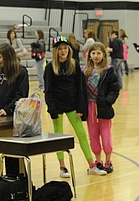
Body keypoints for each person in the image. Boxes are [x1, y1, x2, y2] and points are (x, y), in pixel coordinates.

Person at [44, 36, 106, 178]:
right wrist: (52, 109)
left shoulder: (74, 64)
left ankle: (91, 165)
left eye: (65, 48)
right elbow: (48, 90)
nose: (63, 51)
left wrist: (81, 108)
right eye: (60, 49)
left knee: (82, 134)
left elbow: (80, 88)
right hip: (57, 107)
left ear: (69, 49)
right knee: (58, 137)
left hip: (72, 106)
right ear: (56, 51)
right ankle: (62, 167)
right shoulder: (50, 67)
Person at [0, 43, 30, 175]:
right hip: (0, 117)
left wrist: (8, 109)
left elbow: (21, 96)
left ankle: (17, 178)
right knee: (4, 150)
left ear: (8, 56)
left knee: (13, 152)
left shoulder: (21, 72)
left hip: (15, 118)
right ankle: (7, 179)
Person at [83, 42, 121, 174]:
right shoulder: (85, 71)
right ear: (89, 55)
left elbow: (115, 88)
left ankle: (108, 160)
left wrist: (107, 101)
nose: (95, 56)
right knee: (93, 135)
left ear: (104, 54)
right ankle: (98, 160)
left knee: (105, 135)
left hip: (103, 108)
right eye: (93, 53)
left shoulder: (109, 70)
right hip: (90, 108)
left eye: (98, 53)